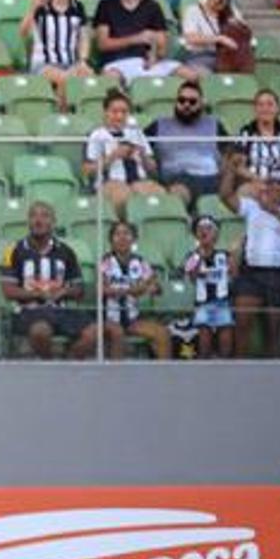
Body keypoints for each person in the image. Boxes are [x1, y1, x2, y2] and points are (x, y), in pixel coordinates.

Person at [224, 167, 280, 354]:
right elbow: (226, 197)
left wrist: (275, 211)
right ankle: (238, 370)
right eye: (273, 183)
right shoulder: (252, 207)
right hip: (251, 274)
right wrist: (231, 170)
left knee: (276, 329)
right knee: (242, 322)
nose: (277, 187)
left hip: (278, 275)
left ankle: (273, 373)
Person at [3, 200, 100, 358]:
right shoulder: (13, 251)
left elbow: (78, 288)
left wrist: (63, 292)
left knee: (94, 332)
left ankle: (68, 363)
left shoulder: (66, 251)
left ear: (53, 222)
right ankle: (50, 365)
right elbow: (8, 290)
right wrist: (38, 295)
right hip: (28, 312)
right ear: (28, 221)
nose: (38, 220)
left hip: (60, 310)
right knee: (40, 331)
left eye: (45, 216)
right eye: (33, 216)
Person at [93, 0, 184, 79]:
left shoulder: (152, 6)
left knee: (189, 75)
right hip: (117, 64)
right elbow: (102, 44)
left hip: (147, 63)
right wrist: (136, 39)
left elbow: (162, 47)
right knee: (109, 78)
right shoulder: (105, 5)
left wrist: (154, 56)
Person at [86, 89, 168, 217]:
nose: (119, 116)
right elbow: (88, 170)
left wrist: (142, 155)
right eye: (114, 112)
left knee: (159, 194)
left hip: (138, 180)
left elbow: (153, 169)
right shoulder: (97, 135)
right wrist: (113, 156)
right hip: (110, 182)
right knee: (123, 195)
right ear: (106, 112)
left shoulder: (136, 133)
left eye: (123, 112)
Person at [99, 219, 172, 358]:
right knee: (117, 334)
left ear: (134, 239)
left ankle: (165, 377)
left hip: (133, 318)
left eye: (127, 234)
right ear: (111, 240)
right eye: (117, 234)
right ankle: (116, 377)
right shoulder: (105, 262)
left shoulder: (140, 262)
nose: (122, 238)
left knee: (162, 333)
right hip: (109, 319)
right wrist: (134, 290)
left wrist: (148, 287)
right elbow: (103, 289)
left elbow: (157, 287)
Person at [147, 78, 226, 205]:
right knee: (176, 193)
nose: (186, 105)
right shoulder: (158, 125)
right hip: (177, 179)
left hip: (211, 179)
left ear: (201, 103)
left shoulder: (215, 125)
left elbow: (229, 155)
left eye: (192, 101)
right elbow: (140, 146)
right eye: (181, 100)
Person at [182, 212, 237, 357]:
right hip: (202, 304)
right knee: (204, 338)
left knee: (226, 337)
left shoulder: (225, 256)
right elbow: (192, 276)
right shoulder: (192, 256)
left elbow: (234, 276)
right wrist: (200, 254)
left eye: (209, 228)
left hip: (222, 302)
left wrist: (234, 259)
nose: (204, 231)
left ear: (216, 234)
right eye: (200, 228)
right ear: (195, 234)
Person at [231, 87, 280, 196]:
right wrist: (258, 179)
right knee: (245, 192)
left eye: (270, 104)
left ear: (277, 108)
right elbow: (239, 167)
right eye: (260, 105)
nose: (265, 109)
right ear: (255, 109)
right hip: (254, 182)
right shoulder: (246, 132)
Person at [177, 0, 244, 72]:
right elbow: (190, 37)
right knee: (204, 76)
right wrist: (219, 39)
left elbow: (244, 33)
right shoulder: (194, 11)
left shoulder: (231, 10)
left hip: (228, 57)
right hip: (200, 57)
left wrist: (236, 25)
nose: (223, 3)